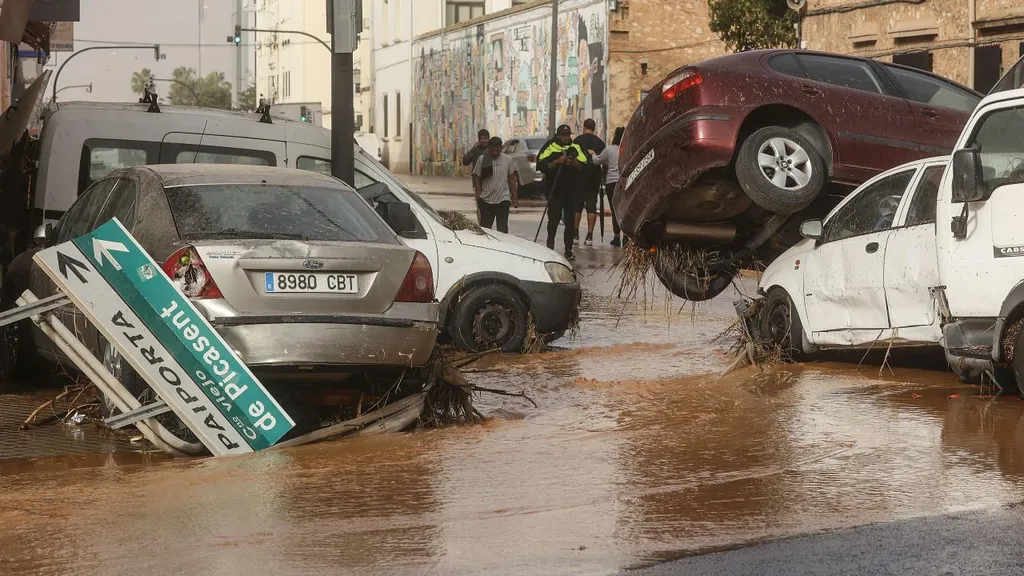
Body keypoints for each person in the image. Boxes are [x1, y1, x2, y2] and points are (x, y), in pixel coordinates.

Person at [537, 124, 589, 261]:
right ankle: (550, 246)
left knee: (570, 222)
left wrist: (574, 163)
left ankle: (568, 250)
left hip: (571, 190)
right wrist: (557, 161)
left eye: (568, 135)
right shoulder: (550, 146)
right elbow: (541, 165)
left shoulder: (576, 147)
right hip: (554, 189)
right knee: (553, 219)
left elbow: (585, 166)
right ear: (558, 135)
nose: (566, 137)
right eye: (564, 135)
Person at [472, 136, 518, 233]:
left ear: (501, 148)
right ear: (489, 148)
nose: (495, 153)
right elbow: (476, 176)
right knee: (486, 229)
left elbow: (512, 178)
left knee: (502, 229)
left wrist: (514, 197)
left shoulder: (508, 160)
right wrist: (478, 194)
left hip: (503, 198)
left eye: (498, 150)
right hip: (486, 199)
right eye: (493, 150)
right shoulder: (483, 159)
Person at [572, 118, 606, 246]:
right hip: (594, 177)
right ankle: (590, 236)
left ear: (583, 127)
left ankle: (575, 234)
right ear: (594, 128)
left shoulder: (577, 141)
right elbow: (604, 161)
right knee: (591, 206)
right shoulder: (600, 143)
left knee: (577, 206)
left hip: (578, 177)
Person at [595, 126, 625, 247]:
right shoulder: (627, 148)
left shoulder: (609, 149)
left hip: (612, 183)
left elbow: (597, 161)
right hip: (625, 182)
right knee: (624, 210)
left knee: (615, 211)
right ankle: (626, 237)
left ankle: (616, 237)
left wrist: (592, 154)